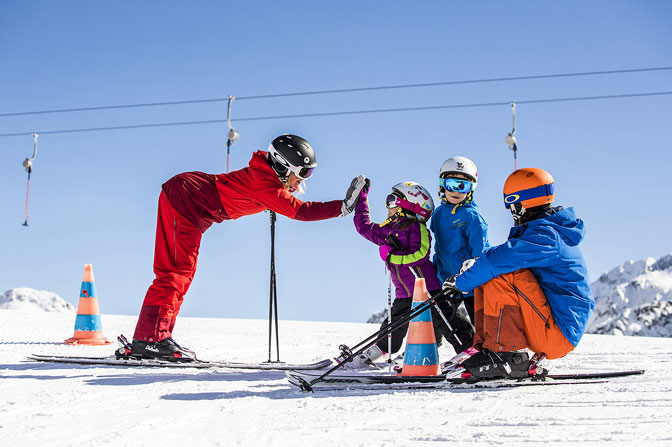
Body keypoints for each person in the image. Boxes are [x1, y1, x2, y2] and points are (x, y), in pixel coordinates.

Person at [130, 134, 368, 361]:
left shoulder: (267, 179)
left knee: (182, 274)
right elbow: (303, 212)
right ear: (283, 166)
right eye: (302, 173)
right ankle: (151, 339)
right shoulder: (265, 185)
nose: (303, 179)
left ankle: (157, 337)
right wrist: (343, 207)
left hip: (192, 205)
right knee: (175, 273)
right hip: (185, 200)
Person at [443, 167, 595, 379]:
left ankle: (505, 353)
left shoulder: (546, 238)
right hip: (549, 325)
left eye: (512, 206)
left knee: (501, 272)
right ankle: (489, 348)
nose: (512, 212)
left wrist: (461, 284)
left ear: (522, 204)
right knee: (489, 271)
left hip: (558, 334)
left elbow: (496, 261)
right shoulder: (544, 234)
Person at [342, 180, 474, 369]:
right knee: (394, 324)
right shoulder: (388, 230)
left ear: (410, 206)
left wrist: (390, 256)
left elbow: (420, 254)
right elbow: (364, 226)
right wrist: (362, 199)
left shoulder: (417, 228)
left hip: (426, 289)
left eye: (393, 200)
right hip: (403, 292)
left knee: (445, 318)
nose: (388, 205)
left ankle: (468, 349)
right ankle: (379, 350)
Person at [429, 156, 489, 323]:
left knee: (479, 320)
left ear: (471, 189)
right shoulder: (438, 214)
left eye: (463, 186)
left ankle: (483, 347)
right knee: (441, 319)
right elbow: (439, 246)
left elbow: (480, 251)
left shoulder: (473, 217)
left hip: (469, 281)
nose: (456, 192)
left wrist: (474, 273)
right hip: (445, 278)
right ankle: (431, 347)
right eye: (451, 185)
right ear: (443, 186)